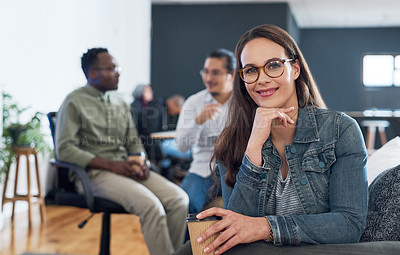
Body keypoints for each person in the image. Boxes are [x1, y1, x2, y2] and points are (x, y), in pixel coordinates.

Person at [175, 24, 368, 254]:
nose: (262, 79)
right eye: (250, 70)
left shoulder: (340, 131)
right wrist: (254, 147)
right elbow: (237, 229)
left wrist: (264, 227)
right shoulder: (232, 140)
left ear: (295, 69)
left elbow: (349, 224)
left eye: (274, 66)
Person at [55, 48, 189, 255]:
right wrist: (111, 165)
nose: (118, 73)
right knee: (151, 207)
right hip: (95, 174)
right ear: (92, 74)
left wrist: (141, 161)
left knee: (179, 200)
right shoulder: (74, 101)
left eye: (117, 68)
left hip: (126, 169)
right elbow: (64, 150)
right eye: (112, 69)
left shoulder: (120, 101)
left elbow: (132, 140)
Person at [175, 48, 236, 214]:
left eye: (215, 72)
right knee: (187, 207)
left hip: (235, 172)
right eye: (206, 72)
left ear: (231, 74)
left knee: (241, 209)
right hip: (201, 171)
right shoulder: (194, 102)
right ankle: (188, 241)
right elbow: (181, 146)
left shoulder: (243, 102)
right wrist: (198, 122)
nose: (209, 78)